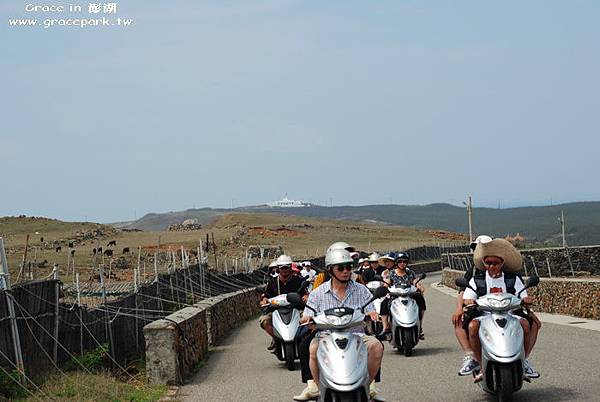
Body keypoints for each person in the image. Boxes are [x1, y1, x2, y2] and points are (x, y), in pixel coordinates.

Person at [295, 245, 385, 402]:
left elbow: (370, 309)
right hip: (326, 337)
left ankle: (367, 386)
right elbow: (308, 315)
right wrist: (305, 319)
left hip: (357, 336)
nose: (346, 271)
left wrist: (372, 314)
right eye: (341, 268)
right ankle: (317, 388)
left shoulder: (361, 290)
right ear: (330, 270)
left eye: (349, 267)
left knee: (376, 346)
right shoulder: (317, 293)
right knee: (313, 348)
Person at [462, 238, 541, 382]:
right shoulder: (477, 280)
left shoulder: (513, 279)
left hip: (510, 313)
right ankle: (480, 365)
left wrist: (526, 300)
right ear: (484, 263)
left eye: (495, 263)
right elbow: (468, 296)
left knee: (527, 324)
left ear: (502, 263)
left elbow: (523, 295)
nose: (491, 266)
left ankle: (524, 360)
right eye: (488, 263)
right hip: (484, 314)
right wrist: (468, 300)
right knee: (472, 326)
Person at [453, 235, 492, 376]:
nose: (479, 251)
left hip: (503, 308)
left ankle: (524, 359)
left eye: (482, 248)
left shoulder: (504, 268)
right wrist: (459, 308)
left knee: (526, 323)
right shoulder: (473, 271)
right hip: (479, 308)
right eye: (476, 248)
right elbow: (462, 292)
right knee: (460, 322)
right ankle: (471, 356)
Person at [259, 254, 308, 351]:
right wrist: (264, 300)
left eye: (287, 267)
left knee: (308, 320)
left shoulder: (297, 280)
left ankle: (304, 340)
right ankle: (276, 338)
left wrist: (306, 297)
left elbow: (304, 293)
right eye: (282, 267)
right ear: (278, 269)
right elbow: (266, 295)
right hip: (276, 310)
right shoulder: (272, 282)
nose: (285, 269)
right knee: (264, 320)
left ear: (291, 267)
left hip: (296, 309)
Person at [378, 252, 426, 339]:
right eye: (400, 261)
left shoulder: (410, 272)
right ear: (396, 263)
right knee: (384, 304)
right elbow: (388, 282)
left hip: (409, 295)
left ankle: (420, 325)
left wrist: (419, 286)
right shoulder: (391, 273)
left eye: (404, 261)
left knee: (421, 301)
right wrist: (384, 287)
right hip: (395, 296)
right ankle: (385, 327)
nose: (402, 264)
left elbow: (415, 282)